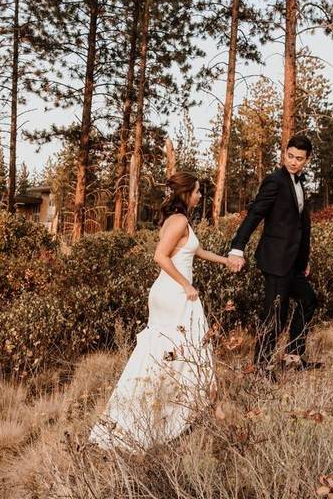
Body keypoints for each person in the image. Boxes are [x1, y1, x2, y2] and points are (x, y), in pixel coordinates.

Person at [89, 172, 231, 450]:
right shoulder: (178, 221)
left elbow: (196, 252)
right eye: (197, 191)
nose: (200, 196)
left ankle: (176, 409)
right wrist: (186, 285)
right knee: (193, 347)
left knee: (170, 352)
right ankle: (203, 411)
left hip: (168, 292)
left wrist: (226, 261)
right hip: (174, 293)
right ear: (186, 193)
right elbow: (160, 256)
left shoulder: (177, 221)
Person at [227, 135, 321, 376]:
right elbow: (255, 214)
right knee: (274, 315)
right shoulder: (274, 181)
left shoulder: (300, 183)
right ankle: (261, 365)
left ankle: (293, 356)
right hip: (275, 260)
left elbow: (301, 227)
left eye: (299, 158)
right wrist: (238, 247)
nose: (293, 162)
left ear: (307, 160)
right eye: (290, 156)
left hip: (294, 262)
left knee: (308, 299)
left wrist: (304, 259)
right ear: (284, 154)